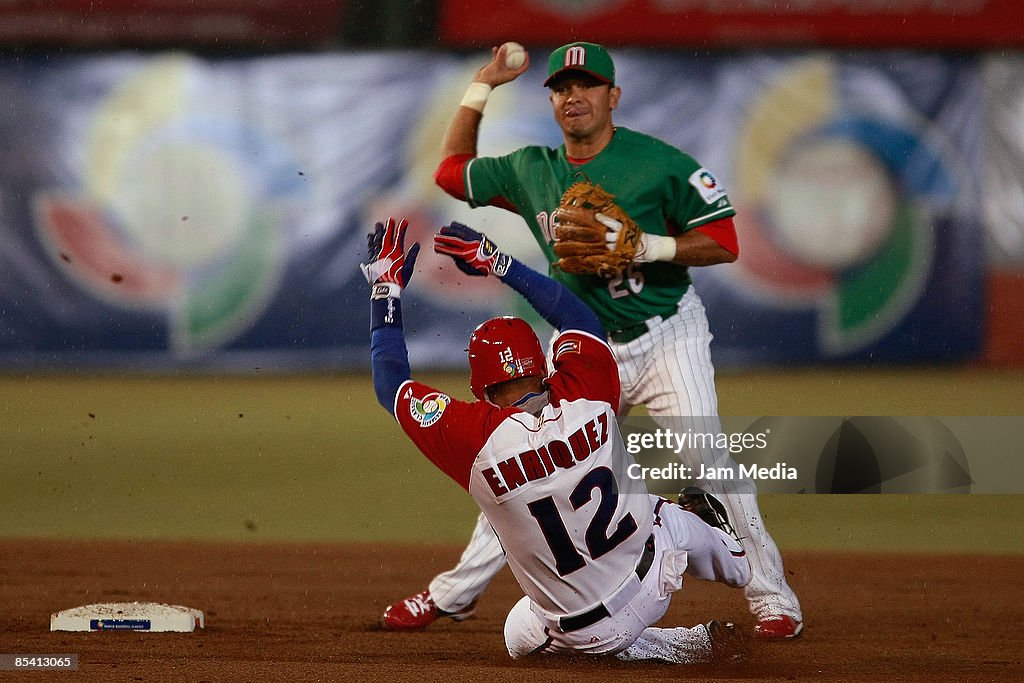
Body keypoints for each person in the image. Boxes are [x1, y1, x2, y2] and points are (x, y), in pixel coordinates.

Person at [382, 41, 804, 640]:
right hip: (581, 345)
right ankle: (453, 594)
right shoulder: (532, 170)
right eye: (560, 87)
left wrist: (649, 246)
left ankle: (772, 597)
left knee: (705, 456)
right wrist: (483, 85)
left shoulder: (659, 164)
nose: (572, 96)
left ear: (613, 96)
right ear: (551, 99)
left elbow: (725, 240)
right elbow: (450, 172)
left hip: (664, 337)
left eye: (586, 85)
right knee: (520, 464)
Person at [363, 214, 752, 662]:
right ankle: (736, 559)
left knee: (518, 634)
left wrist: (385, 290)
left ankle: (674, 645)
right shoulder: (587, 392)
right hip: (655, 577)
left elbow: (389, 382)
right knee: (662, 513)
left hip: (580, 631)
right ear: (544, 366)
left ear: (479, 388)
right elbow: (578, 317)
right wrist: (497, 261)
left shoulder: (474, 440)